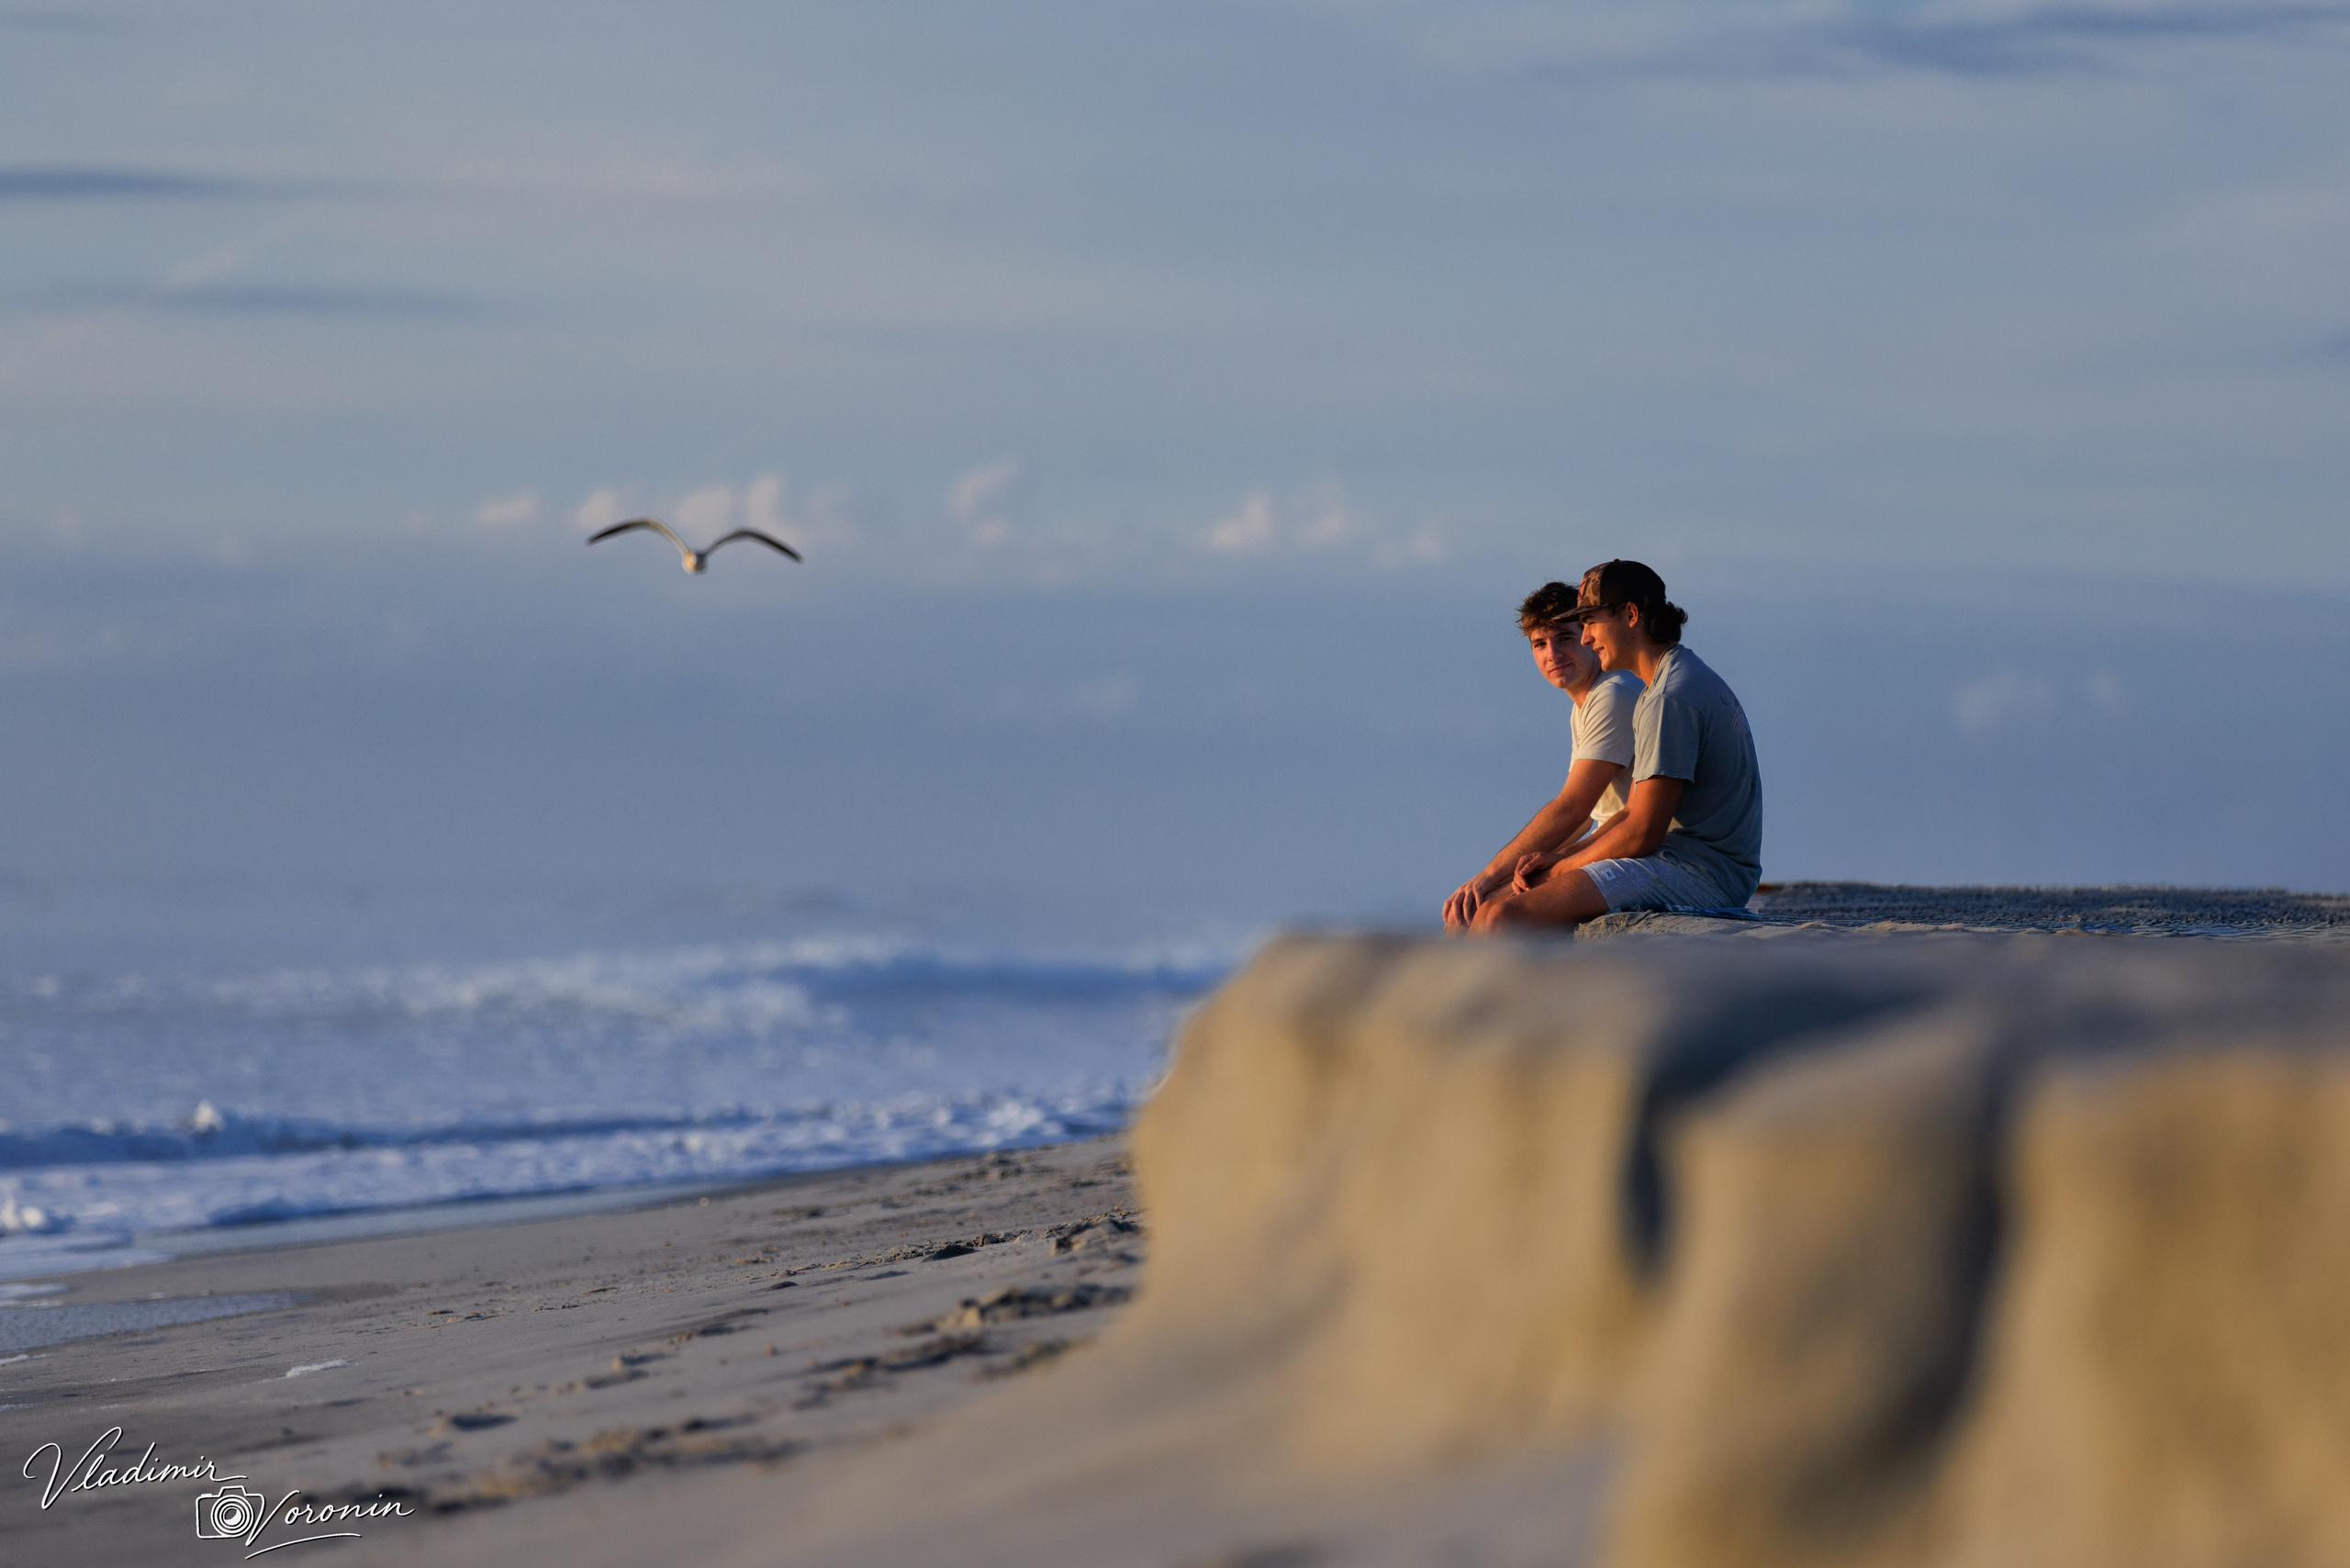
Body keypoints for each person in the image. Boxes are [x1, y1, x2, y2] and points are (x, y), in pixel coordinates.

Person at [1469, 559, 1762, 934]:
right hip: (1692, 862)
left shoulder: (1668, 697)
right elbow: (1636, 810)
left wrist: (1559, 868)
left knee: (1501, 917)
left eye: (1590, 621)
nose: (1587, 637)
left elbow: (1642, 832)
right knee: (1498, 907)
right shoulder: (1671, 680)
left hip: (1702, 874)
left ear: (1630, 615)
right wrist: (1562, 857)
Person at [1442, 581, 1643, 933]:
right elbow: (1583, 818)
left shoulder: (1614, 694)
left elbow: (1572, 809)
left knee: (1492, 915)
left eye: (1564, 638)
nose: (1552, 654)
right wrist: (1517, 869)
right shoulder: (1587, 702)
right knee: (1466, 915)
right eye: (1540, 644)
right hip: (1605, 845)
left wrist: (1489, 876)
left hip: (1638, 853)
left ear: (1588, 637)